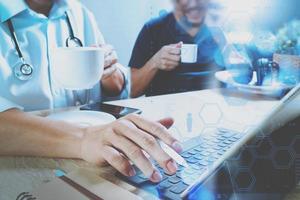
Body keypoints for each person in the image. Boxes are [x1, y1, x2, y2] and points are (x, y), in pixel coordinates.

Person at [0, 0, 183, 183]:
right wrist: (84, 139)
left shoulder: (79, 12)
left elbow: (121, 87)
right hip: (22, 172)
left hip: (91, 165)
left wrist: (109, 73)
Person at [129, 0, 225, 97]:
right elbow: (133, 91)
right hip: (165, 107)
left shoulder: (221, 28)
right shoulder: (153, 29)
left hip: (213, 104)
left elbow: (236, 76)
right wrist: (155, 62)